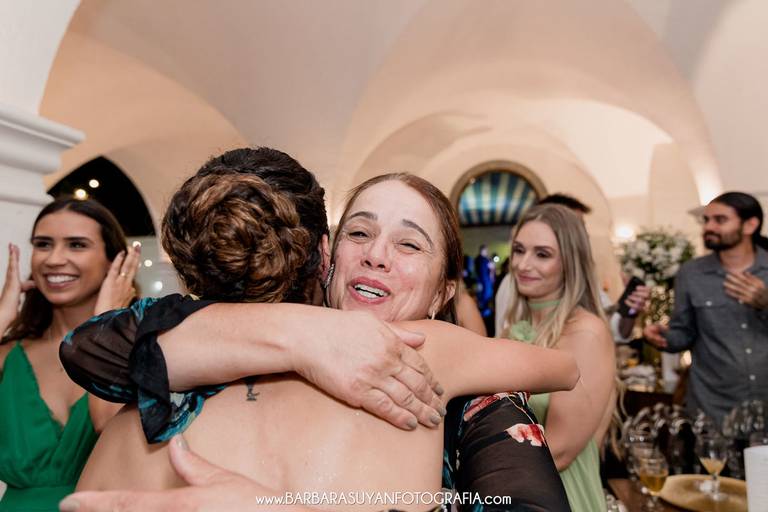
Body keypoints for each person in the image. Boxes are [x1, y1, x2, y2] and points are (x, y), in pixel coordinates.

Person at [63, 150, 577, 511]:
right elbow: (562, 368)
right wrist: (305, 334)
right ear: (327, 256)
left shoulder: (140, 405)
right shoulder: (428, 352)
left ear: (445, 290)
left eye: (409, 244)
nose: (376, 254)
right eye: (360, 232)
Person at [0, 198, 139, 511]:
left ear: (114, 260)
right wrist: (2, 315)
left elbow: (107, 423)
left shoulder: (142, 351)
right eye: (43, 244)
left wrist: (105, 323)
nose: (54, 259)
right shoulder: (8, 356)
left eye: (76, 245)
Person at [499, 203, 616, 512]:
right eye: (519, 250)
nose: (523, 264)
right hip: (514, 488)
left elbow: (560, 451)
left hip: (560, 493)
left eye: (542, 254)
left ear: (570, 263)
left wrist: (479, 478)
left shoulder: (585, 332)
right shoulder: (516, 329)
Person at [644, 191, 768, 424]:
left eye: (720, 220)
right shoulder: (691, 273)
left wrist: (766, 303)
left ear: (750, 225)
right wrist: (662, 337)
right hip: (714, 406)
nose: (708, 227)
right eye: (706, 220)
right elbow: (684, 334)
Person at [495, 193, 650, 343]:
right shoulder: (517, 283)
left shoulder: (588, 315)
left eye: (581, 228)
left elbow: (614, 330)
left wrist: (629, 310)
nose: (582, 236)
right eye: (519, 250)